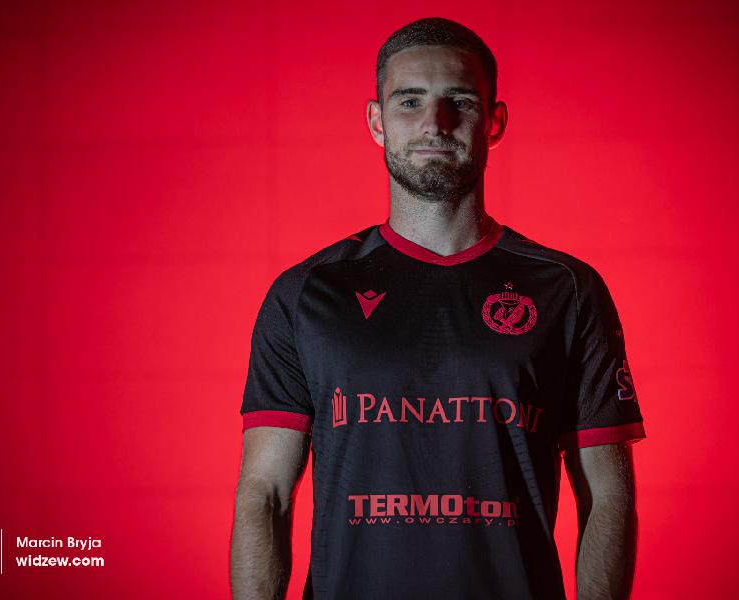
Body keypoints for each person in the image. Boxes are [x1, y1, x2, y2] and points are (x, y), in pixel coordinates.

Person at [230, 16, 645, 600]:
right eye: (409, 101)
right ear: (377, 122)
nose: (435, 122)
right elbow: (265, 495)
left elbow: (607, 496)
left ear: (494, 122)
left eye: (460, 101)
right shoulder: (305, 294)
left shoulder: (567, 289)